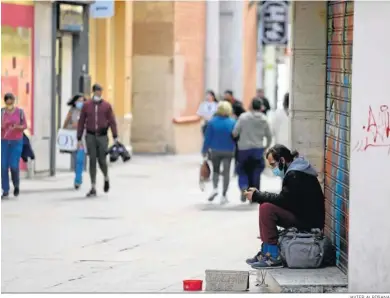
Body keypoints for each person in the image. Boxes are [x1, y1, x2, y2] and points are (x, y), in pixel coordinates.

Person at [244, 144, 325, 268]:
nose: (273, 169)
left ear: (282, 160)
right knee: (265, 206)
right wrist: (259, 196)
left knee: (267, 209)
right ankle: (266, 251)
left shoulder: (295, 174)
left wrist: (257, 196)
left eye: (273, 165)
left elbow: (285, 200)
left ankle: (273, 256)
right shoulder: (295, 171)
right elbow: (287, 199)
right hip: (301, 214)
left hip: (308, 221)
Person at [77, 84, 118, 197]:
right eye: (97, 91)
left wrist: (115, 136)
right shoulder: (87, 105)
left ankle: (106, 177)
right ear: (93, 92)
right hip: (90, 136)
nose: (99, 93)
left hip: (102, 136)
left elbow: (112, 121)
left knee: (102, 160)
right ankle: (93, 186)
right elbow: (81, 121)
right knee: (92, 160)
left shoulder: (106, 106)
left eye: (100, 91)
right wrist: (79, 137)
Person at [233, 98, 272, 202]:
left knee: (242, 169)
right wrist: (266, 147)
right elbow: (269, 135)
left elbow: (235, 132)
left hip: (244, 149)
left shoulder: (243, 117)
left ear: (251, 106)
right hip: (258, 149)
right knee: (256, 171)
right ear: (261, 107)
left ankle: (243, 186)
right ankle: (254, 195)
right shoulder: (264, 119)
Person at [202, 101, 236, 204]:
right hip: (229, 150)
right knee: (226, 173)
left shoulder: (212, 122)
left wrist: (204, 150)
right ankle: (224, 195)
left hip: (215, 150)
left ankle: (215, 188)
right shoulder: (233, 122)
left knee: (216, 171)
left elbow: (207, 138)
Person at [1, 93, 27, 199]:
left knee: (13, 165)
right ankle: (5, 189)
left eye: (10, 101)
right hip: (4, 141)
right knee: (3, 166)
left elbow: (24, 125)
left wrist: (17, 127)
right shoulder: (2, 112)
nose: (9, 103)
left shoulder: (20, 112)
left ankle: (16, 185)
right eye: (7, 101)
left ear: (13, 101)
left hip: (16, 141)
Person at [62, 93, 86, 189]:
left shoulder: (87, 112)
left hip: (83, 139)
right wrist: (72, 126)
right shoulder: (72, 111)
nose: (81, 102)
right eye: (79, 100)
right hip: (73, 138)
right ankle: (78, 175)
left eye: (82, 100)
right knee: (76, 160)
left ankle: (77, 180)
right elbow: (65, 125)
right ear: (75, 102)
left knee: (80, 159)